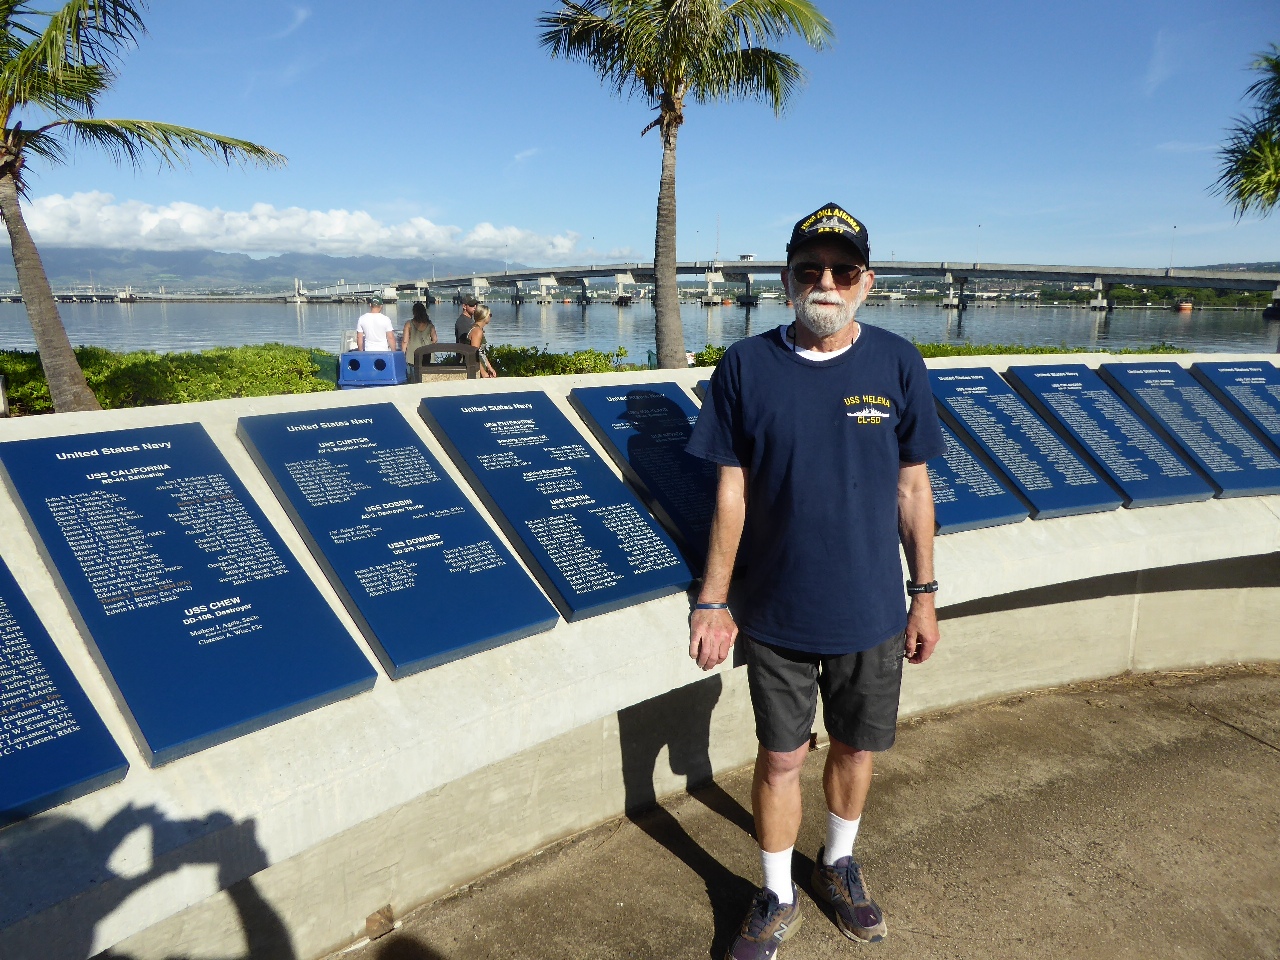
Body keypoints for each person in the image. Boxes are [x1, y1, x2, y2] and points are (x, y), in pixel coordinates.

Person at [685, 202, 946, 959]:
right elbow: (730, 493)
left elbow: (913, 489)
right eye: (810, 270)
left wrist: (923, 595)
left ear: (866, 281)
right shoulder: (744, 367)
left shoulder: (898, 363)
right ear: (786, 280)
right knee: (780, 758)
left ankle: (837, 865)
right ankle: (774, 891)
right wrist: (713, 599)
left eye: (842, 270)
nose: (825, 282)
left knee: (856, 750)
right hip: (775, 613)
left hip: (871, 610)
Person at [463, 304, 498, 378]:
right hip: (476, 370)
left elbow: (482, 353)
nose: (490, 317)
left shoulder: (477, 329)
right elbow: (474, 355)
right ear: (485, 317)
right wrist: (483, 373)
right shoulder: (477, 331)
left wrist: (490, 367)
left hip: (480, 367)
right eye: (490, 315)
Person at [402, 302, 438, 369]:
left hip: (413, 353)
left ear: (414, 312)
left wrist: (402, 354)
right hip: (427, 352)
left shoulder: (409, 324)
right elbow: (435, 339)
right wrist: (429, 344)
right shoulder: (430, 325)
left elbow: (405, 341)